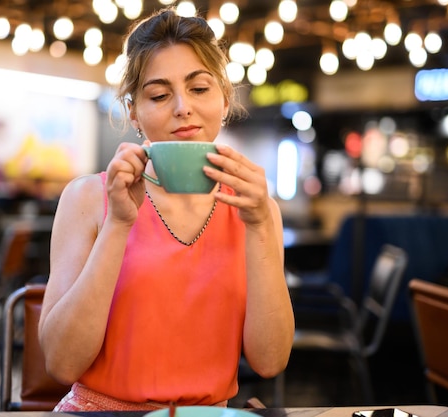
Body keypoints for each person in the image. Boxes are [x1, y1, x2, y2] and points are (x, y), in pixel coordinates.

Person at [38, 7, 295, 412]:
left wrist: (261, 224)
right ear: (133, 112)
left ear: (225, 99)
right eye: (159, 95)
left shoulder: (256, 210)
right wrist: (119, 224)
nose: (182, 107)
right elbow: (61, 362)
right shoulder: (89, 199)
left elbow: (270, 361)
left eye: (199, 88)